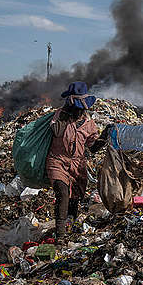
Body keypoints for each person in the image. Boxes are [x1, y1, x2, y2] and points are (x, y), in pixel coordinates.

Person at [45, 82, 102, 242]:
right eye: (76, 108)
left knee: (75, 197)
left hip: (78, 166)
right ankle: (60, 235)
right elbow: (56, 131)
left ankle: (72, 225)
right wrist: (64, 115)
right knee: (62, 193)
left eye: (80, 108)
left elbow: (93, 147)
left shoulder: (89, 124)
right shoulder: (60, 116)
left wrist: (104, 137)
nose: (79, 112)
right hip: (57, 161)